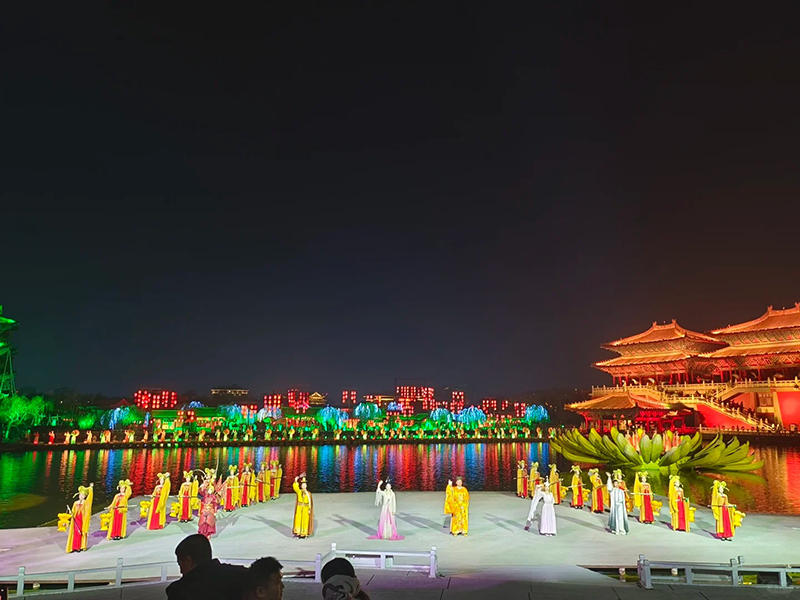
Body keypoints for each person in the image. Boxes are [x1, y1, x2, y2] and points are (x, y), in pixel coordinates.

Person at [166, 534, 248, 600]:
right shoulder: (242, 575)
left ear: (188, 561)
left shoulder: (178, 591)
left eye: (180, 564)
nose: (181, 571)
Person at [65, 483, 93, 553]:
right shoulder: (75, 503)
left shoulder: (86, 503)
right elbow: (73, 511)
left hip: (82, 520)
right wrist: (71, 513)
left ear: (85, 496)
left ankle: (79, 546)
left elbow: (90, 499)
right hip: (75, 520)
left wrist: (90, 488)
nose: (81, 496)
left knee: (80, 532)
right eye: (80, 495)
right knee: (75, 533)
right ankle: (74, 547)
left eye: (83, 495)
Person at [198, 470, 221, 538]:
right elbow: (201, 491)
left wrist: (215, 512)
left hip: (210, 510)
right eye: (209, 490)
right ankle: (203, 532)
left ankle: (208, 533)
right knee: (203, 521)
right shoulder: (205, 495)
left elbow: (215, 504)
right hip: (205, 509)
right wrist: (202, 485)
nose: (210, 491)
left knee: (209, 521)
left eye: (211, 490)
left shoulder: (213, 497)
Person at [292, 474, 314, 538]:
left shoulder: (308, 493)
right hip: (299, 508)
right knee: (298, 520)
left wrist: (309, 509)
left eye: (305, 485)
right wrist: (296, 481)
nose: (304, 486)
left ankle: (304, 533)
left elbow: (310, 502)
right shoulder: (299, 492)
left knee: (305, 521)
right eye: (302, 485)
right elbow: (295, 488)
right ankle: (298, 532)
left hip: (305, 508)